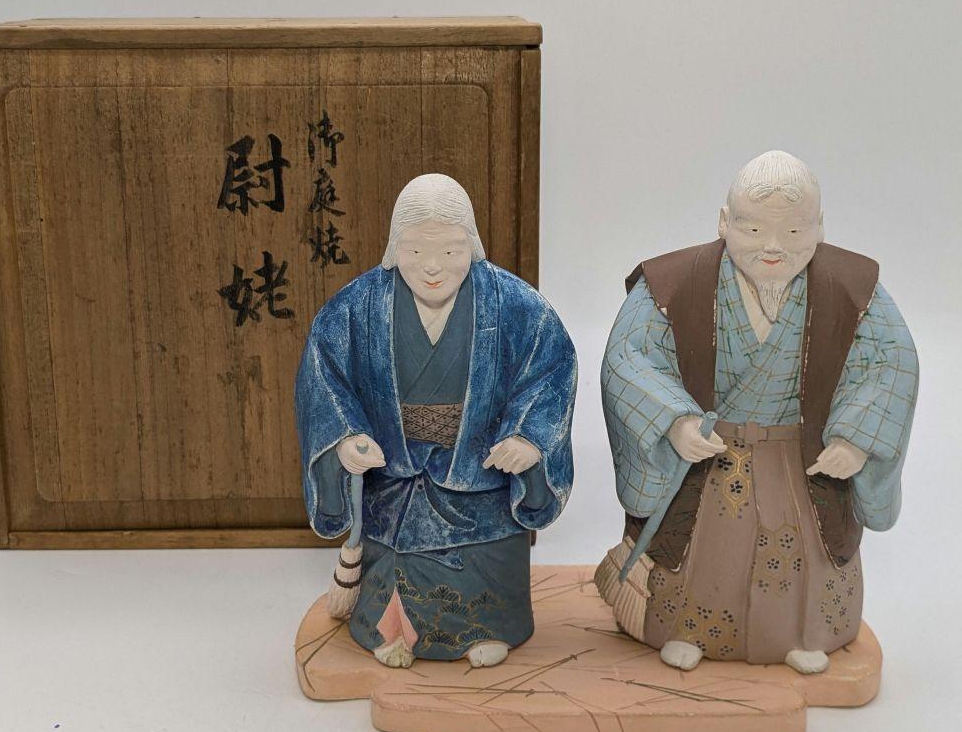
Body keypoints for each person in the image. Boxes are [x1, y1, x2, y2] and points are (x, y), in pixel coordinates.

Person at [595, 151, 917, 674]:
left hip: (799, 456)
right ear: (724, 222)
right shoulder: (674, 281)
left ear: (819, 227)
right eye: (752, 229)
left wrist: (857, 438)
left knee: (798, 552)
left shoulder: (852, 287)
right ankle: (687, 630)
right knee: (709, 552)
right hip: (708, 451)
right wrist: (674, 421)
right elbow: (628, 357)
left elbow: (892, 361)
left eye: (793, 231)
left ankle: (803, 634)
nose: (773, 247)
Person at [296, 173, 576, 669]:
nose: (432, 267)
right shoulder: (358, 306)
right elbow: (324, 376)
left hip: (480, 472)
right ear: (393, 247)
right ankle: (392, 633)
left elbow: (551, 369)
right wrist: (346, 437)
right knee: (397, 558)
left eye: (450, 251)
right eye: (415, 251)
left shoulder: (516, 304)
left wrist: (529, 438)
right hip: (395, 475)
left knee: (487, 549)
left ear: (472, 245)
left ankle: (487, 629)